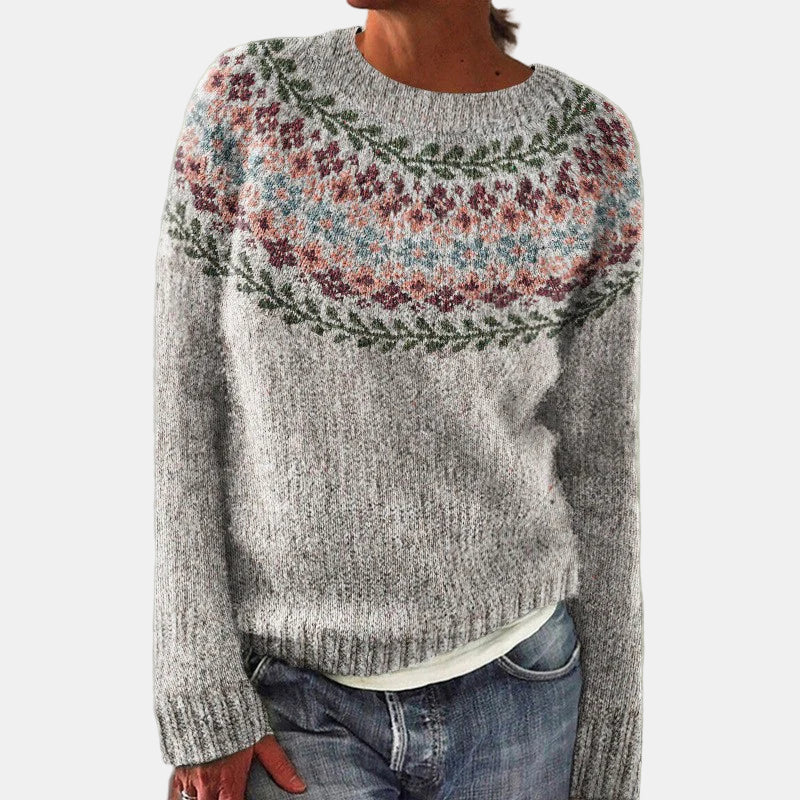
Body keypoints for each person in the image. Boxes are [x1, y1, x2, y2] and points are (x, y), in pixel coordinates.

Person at [152, 2, 645, 799]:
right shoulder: (251, 99)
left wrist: (610, 745)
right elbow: (184, 413)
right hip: (292, 706)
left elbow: (602, 463)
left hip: (523, 695)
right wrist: (199, 695)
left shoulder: (588, 147)